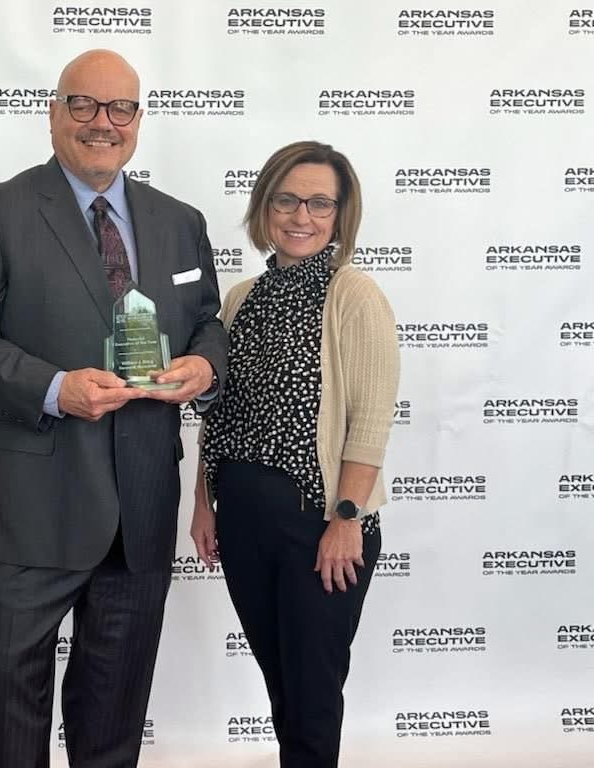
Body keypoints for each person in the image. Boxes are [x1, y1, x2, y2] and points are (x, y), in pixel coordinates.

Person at [0, 49, 228, 768]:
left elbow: (207, 320)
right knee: (17, 705)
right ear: (54, 113)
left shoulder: (180, 221)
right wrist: (54, 388)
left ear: (138, 120)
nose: (103, 123)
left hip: (142, 504)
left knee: (114, 717)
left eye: (120, 108)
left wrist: (205, 364)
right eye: (84, 104)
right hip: (34, 503)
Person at [192, 141, 400, 768]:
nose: (301, 216)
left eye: (319, 203)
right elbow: (221, 414)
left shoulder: (354, 295)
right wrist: (203, 503)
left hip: (320, 522)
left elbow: (370, 422)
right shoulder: (240, 298)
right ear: (265, 207)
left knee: (312, 692)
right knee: (281, 682)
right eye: (286, 200)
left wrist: (346, 519)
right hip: (243, 518)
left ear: (340, 215)